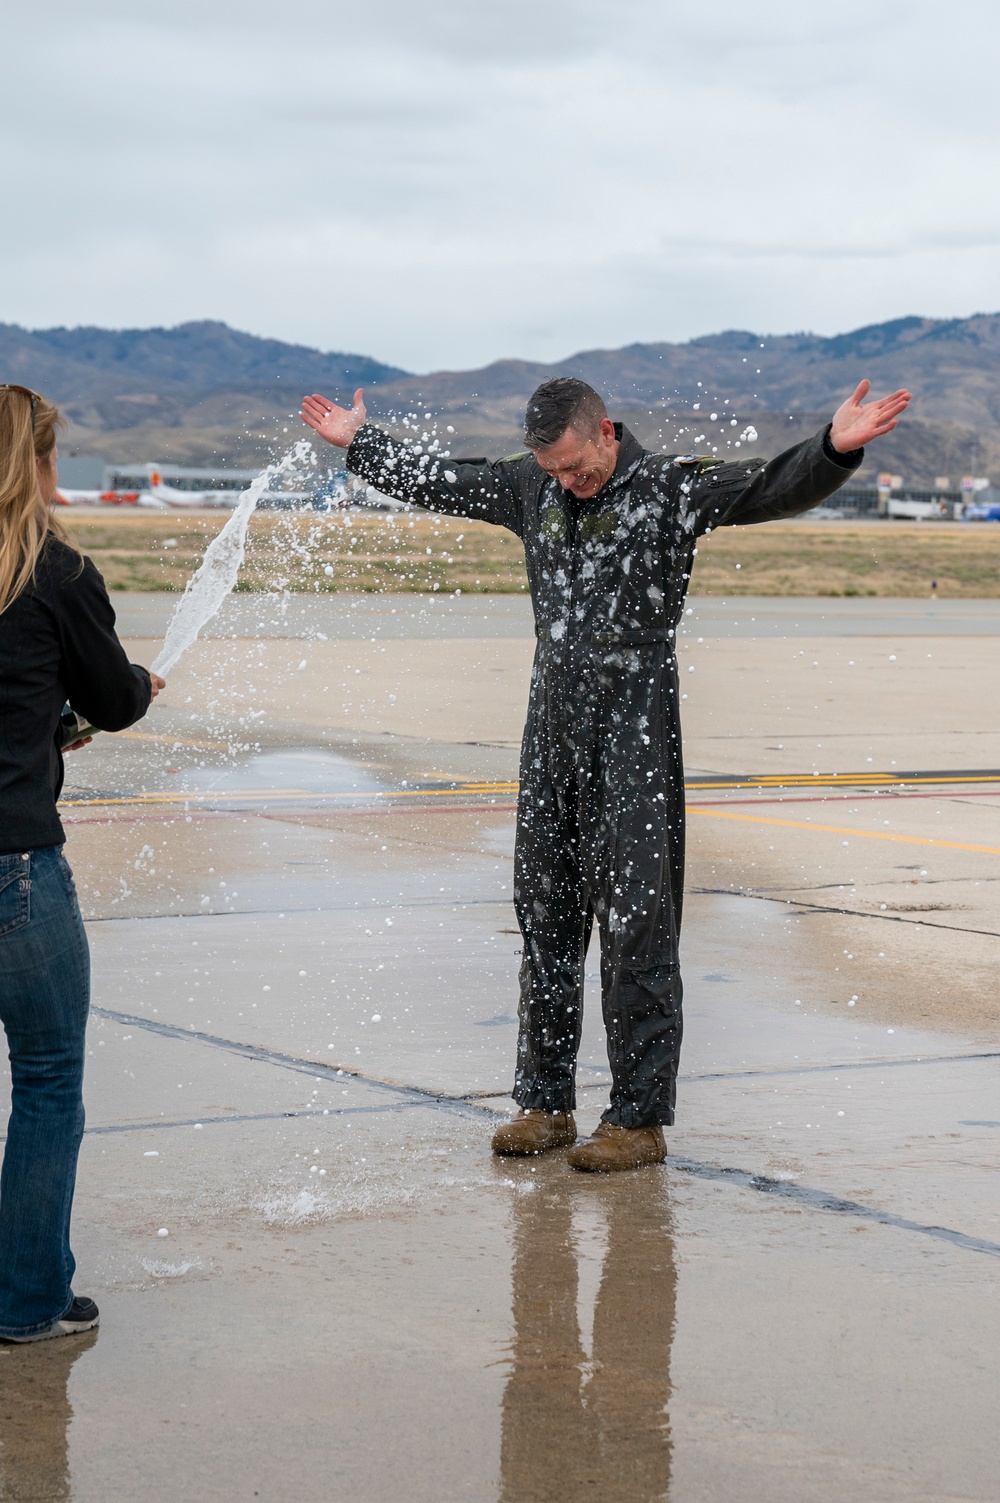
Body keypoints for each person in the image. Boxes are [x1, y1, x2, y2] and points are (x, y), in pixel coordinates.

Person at [301, 375, 909, 1172]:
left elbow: (766, 487)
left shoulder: (669, 488)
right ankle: (544, 1102)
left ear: (606, 432)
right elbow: (447, 482)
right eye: (551, 470)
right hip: (549, 728)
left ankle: (637, 1119)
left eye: (574, 466)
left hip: (635, 731)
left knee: (636, 926)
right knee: (546, 915)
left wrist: (833, 449)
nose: (565, 481)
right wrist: (363, 446)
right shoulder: (531, 486)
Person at [0, 385, 165, 1341]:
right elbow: (114, 698)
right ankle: (27, 1302)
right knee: (48, 1076)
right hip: (13, 863)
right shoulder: (56, 573)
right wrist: (133, 687)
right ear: (40, 463)